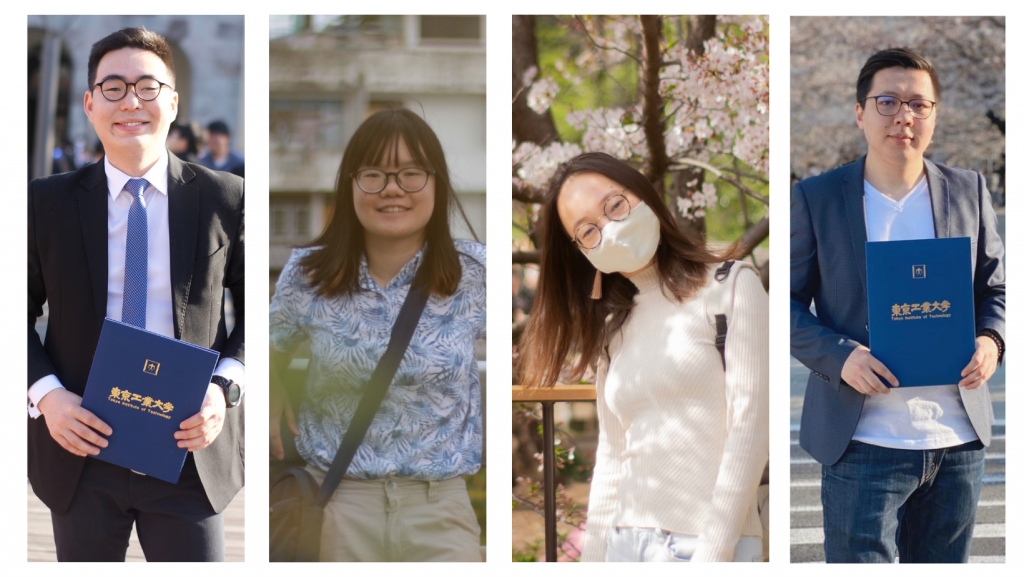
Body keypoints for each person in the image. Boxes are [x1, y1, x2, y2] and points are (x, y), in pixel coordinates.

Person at [27, 27, 245, 562]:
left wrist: (225, 389)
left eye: (148, 87)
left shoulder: (226, 198)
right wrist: (46, 396)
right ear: (89, 103)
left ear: (172, 102)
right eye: (114, 87)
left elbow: (264, 313)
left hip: (189, 449)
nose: (132, 102)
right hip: (79, 446)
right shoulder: (44, 203)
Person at [790, 47, 1005, 563]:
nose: (903, 116)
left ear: (934, 115)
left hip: (956, 441)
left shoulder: (968, 190)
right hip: (863, 440)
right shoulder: (817, 197)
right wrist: (840, 356)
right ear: (860, 112)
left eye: (918, 104)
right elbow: (785, 306)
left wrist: (992, 340)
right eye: (887, 101)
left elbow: (996, 289)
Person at [517, 152, 769, 562]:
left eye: (615, 205)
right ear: (582, 252)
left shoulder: (731, 287)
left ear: (642, 193)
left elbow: (751, 430)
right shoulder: (614, 326)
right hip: (624, 543)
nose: (610, 229)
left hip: (701, 543)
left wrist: (713, 554)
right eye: (588, 232)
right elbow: (613, 456)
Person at [269, 107, 485, 562]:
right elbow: (259, 348)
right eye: (374, 174)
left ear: (437, 184)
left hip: (441, 511)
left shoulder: (477, 274)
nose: (392, 189)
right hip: (337, 508)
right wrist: (272, 386)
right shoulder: (308, 272)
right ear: (350, 185)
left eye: (411, 174)